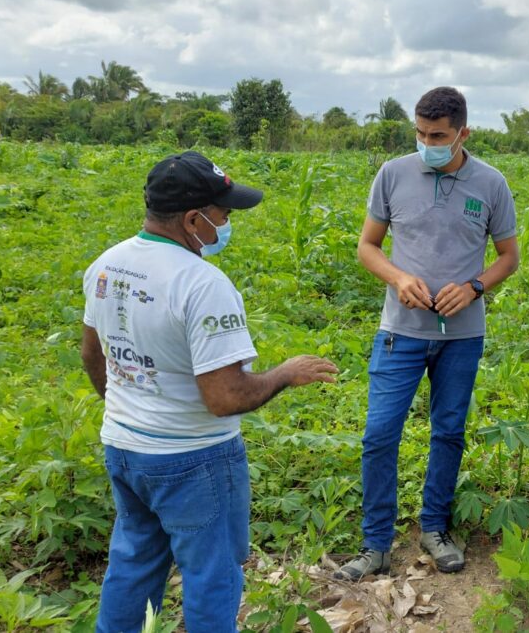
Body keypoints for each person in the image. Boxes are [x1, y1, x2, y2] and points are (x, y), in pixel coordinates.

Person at [81, 151, 339, 632]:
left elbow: (92, 355)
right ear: (194, 219)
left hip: (124, 446)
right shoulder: (202, 283)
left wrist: (131, 407)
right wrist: (284, 373)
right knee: (211, 576)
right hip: (194, 459)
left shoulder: (106, 265)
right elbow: (224, 397)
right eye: (223, 213)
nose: (226, 222)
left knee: (134, 562)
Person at [334, 87, 519, 580]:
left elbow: (508, 257)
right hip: (401, 330)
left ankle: (434, 528)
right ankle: (375, 544)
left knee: (449, 431)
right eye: (419, 132)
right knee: (379, 435)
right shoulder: (393, 174)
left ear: (463, 133)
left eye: (437, 135)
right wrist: (398, 278)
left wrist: (474, 287)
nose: (426, 142)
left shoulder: (492, 183)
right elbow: (368, 247)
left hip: (461, 335)